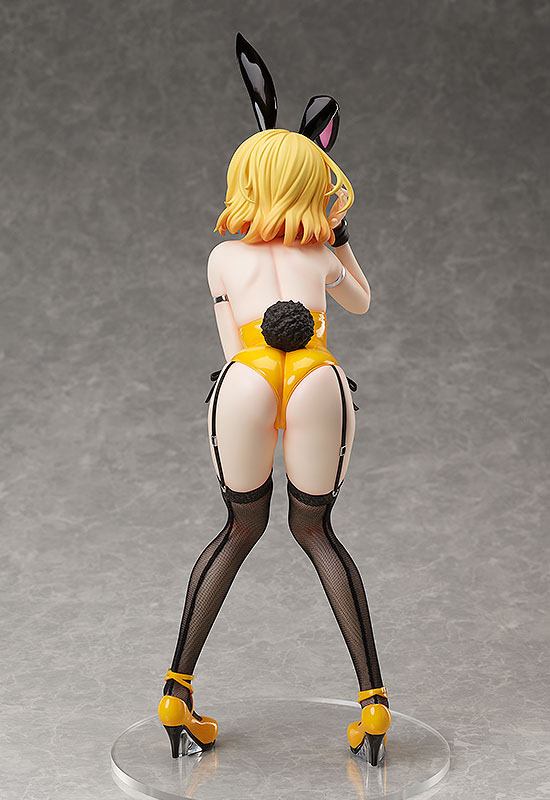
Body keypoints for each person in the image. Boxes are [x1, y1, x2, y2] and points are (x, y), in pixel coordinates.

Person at [157, 35, 391, 767]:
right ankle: (374, 707)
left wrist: (245, 382)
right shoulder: (318, 253)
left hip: (247, 378)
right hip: (317, 376)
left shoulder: (223, 257)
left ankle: (175, 693)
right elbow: (362, 302)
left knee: (238, 527)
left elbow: (233, 343)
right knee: (317, 531)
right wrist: (339, 237)